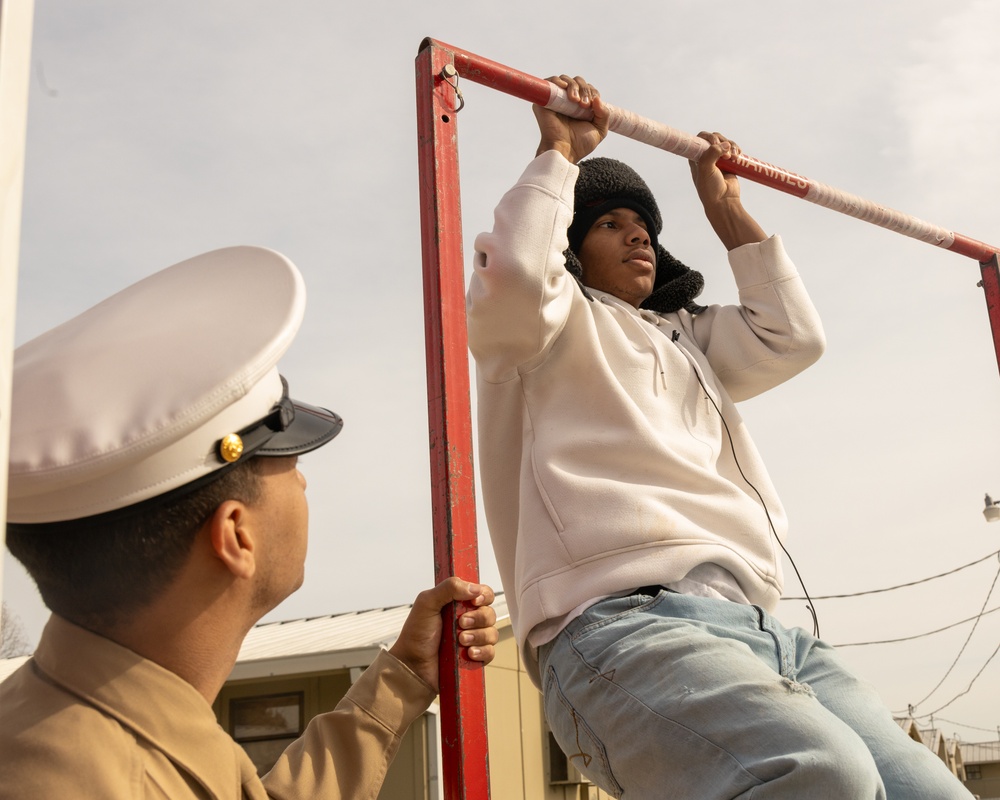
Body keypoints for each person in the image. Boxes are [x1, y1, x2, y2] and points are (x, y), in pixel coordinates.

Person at [466, 75, 972, 798]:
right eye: (609, 223)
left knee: (934, 794)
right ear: (572, 245)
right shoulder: (542, 330)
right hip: (621, 627)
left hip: (765, 635)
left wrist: (725, 207)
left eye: (642, 224)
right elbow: (517, 271)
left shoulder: (688, 340)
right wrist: (558, 152)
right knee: (824, 775)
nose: (637, 231)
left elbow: (793, 336)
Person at [0, 245, 498, 799]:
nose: (304, 483)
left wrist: (402, 677)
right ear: (236, 535)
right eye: (289, 464)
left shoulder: (75, 728)